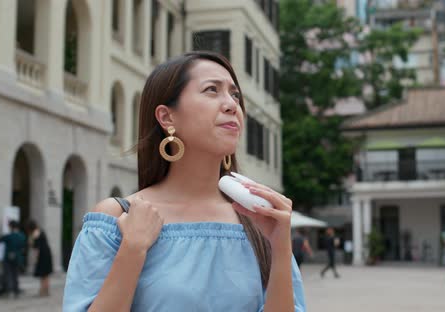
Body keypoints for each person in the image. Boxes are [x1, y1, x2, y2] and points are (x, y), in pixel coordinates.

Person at [63, 51, 306, 311]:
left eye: (235, 94)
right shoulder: (118, 218)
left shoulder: (259, 221)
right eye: (212, 90)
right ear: (167, 117)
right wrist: (133, 250)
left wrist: (280, 246)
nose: (232, 105)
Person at [0, 220, 26, 298]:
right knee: (15, 274)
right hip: (18, 258)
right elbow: (23, 247)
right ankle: (16, 290)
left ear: (11, 227)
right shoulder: (22, 236)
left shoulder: (9, 236)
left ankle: (8, 290)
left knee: (8, 274)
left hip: (8, 257)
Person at [26, 220, 53, 297]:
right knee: (46, 274)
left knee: (43, 274)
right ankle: (45, 291)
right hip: (46, 254)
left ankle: (42, 291)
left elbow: (36, 247)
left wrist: (36, 258)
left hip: (42, 255)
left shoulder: (35, 233)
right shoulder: (40, 231)